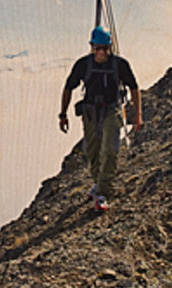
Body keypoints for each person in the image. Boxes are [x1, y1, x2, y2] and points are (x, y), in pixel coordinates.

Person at [58, 26, 142, 211]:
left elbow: (134, 88)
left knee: (110, 150)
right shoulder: (83, 65)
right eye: (98, 48)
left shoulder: (120, 64)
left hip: (112, 111)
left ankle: (102, 192)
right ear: (92, 47)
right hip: (90, 113)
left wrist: (138, 115)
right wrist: (63, 115)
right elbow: (68, 87)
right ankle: (98, 183)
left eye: (105, 48)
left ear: (110, 47)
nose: (102, 52)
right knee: (93, 152)